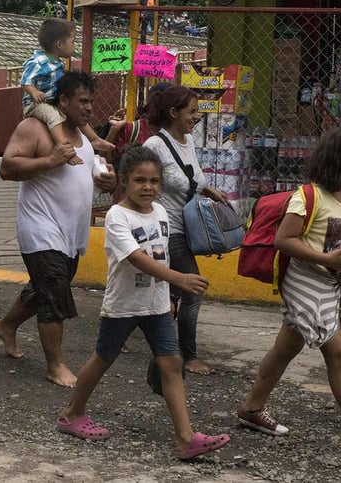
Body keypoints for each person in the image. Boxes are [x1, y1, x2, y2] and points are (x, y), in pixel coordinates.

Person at [236, 127, 341, 458]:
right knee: (340, 355)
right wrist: (329, 259)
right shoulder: (308, 196)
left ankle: (251, 409)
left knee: (287, 346)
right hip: (304, 281)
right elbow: (284, 241)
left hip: (328, 281)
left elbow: (334, 244)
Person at [56, 146, 229, 459]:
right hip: (123, 305)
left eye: (154, 181)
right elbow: (136, 258)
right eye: (140, 180)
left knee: (172, 363)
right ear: (123, 181)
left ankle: (185, 438)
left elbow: (159, 254)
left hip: (157, 305)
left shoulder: (160, 212)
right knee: (103, 358)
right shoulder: (117, 216)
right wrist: (179, 278)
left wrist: (169, 294)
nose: (148, 187)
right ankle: (71, 413)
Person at [0, 71, 116, 388]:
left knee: (46, 287)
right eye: (82, 101)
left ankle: (7, 326)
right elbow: (7, 168)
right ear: (63, 100)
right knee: (54, 296)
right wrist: (49, 160)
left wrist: (105, 182)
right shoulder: (34, 128)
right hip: (40, 228)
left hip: (71, 234)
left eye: (91, 102)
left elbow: (81, 181)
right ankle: (55, 366)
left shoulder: (83, 138)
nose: (89, 108)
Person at [142, 85, 227, 375]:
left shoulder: (187, 140)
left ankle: (135, 327)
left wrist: (209, 190)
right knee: (193, 287)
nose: (196, 117)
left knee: (169, 290)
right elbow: (143, 183)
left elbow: (190, 178)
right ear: (173, 113)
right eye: (191, 112)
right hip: (168, 228)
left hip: (189, 227)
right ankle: (188, 356)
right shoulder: (155, 146)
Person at [20, 19, 113, 165]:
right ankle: (64, 150)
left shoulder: (57, 63)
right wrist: (34, 92)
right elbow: (25, 81)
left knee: (76, 115)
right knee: (54, 117)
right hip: (37, 104)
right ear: (59, 44)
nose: (74, 45)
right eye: (73, 41)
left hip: (51, 101)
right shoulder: (38, 62)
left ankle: (94, 139)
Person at [104, 82, 170, 203]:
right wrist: (114, 130)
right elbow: (109, 158)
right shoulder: (133, 129)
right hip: (130, 201)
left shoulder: (174, 133)